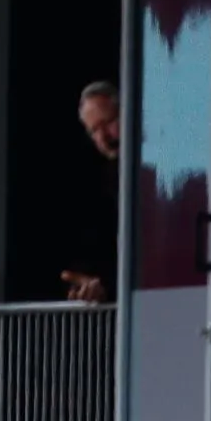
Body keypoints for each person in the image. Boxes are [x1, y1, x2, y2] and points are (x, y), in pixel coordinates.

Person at [62, 82, 122, 301]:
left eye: (108, 123)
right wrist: (96, 284)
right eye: (94, 130)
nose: (103, 138)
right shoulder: (97, 182)